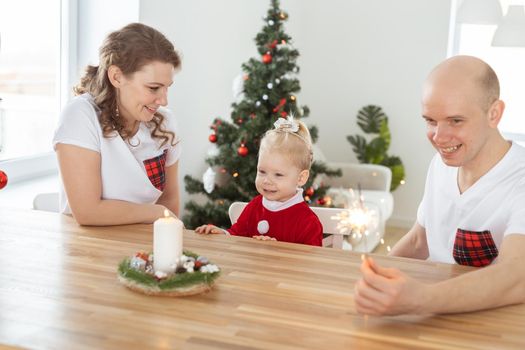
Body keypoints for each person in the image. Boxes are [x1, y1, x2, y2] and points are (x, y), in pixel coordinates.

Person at [355, 55, 525, 315]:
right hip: (438, 315)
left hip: (495, 322)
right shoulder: (440, 165)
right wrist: (372, 280)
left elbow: (516, 277)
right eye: (431, 121)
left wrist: (420, 298)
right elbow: (418, 240)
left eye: (456, 120)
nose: (438, 137)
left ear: (494, 113)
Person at [53, 23, 182, 225]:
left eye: (167, 88)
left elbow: (170, 199)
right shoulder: (80, 116)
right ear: (116, 77)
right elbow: (88, 212)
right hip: (89, 249)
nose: (163, 100)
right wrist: (157, 213)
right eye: (154, 88)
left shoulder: (164, 121)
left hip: (144, 248)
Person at [195, 116, 323, 246]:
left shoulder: (307, 222)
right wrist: (223, 234)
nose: (267, 180)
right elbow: (236, 234)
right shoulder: (255, 206)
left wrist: (278, 249)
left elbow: (312, 262)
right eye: (262, 172)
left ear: (301, 178)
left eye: (278, 174)